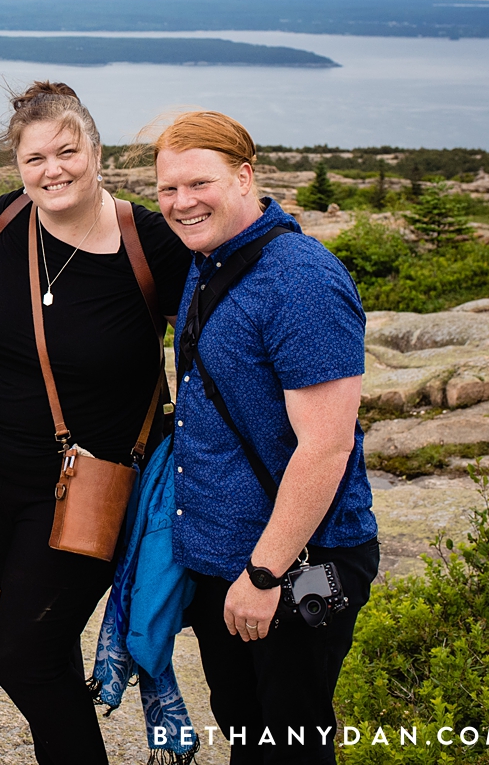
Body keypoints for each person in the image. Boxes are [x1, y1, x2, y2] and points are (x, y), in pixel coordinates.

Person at [0, 82, 191, 765]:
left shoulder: (149, 242)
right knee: (49, 649)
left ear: (96, 152)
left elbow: (222, 326)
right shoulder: (4, 222)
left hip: (91, 489)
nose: (52, 169)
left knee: (21, 657)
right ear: (18, 167)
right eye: (35, 159)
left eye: (67, 151)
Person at [148, 111, 379, 763]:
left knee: (292, 741)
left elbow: (326, 447)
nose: (181, 202)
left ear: (245, 175)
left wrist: (264, 572)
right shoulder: (212, 257)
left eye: (199, 183)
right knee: (247, 729)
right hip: (228, 561)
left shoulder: (300, 281)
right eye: (168, 188)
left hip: (301, 563)